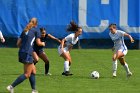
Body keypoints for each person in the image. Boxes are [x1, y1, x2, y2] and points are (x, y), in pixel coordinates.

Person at [7, 18, 45, 93]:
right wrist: (43, 43)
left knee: (33, 71)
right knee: (27, 74)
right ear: (36, 24)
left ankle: (34, 90)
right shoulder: (36, 30)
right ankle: (11, 86)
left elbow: (18, 44)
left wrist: (25, 48)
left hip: (22, 52)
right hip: (28, 53)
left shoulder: (25, 30)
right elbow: (38, 43)